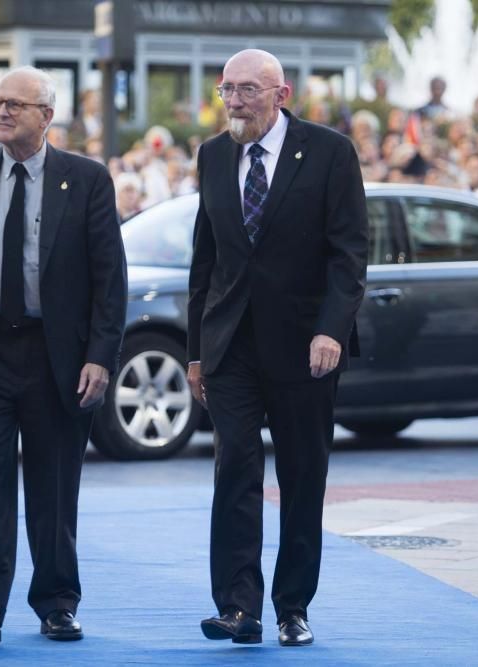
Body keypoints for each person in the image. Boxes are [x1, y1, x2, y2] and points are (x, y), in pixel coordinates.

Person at [0, 66, 127, 645]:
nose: (2, 111)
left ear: (47, 115)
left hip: (56, 355)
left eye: (16, 104)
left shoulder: (86, 179)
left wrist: (101, 356)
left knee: (54, 485)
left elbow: (109, 280)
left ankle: (57, 601)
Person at [187, 49, 368, 647]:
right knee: (234, 467)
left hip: (304, 346)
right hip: (231, 343)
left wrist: (331, 329)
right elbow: (205, 261)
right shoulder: (213, 155)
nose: (233, 102)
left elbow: (349, 254)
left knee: (301, 475)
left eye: (245, 91)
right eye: (225, 90)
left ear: (280, 94)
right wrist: (196, 351)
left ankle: (293, 605)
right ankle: (238, 607)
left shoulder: (330, 152)